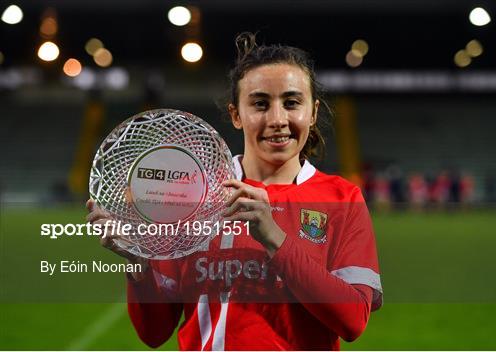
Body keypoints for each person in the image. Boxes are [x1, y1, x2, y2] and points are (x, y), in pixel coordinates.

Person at [86, 32, 382, 351]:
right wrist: (137, 263)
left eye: (292, 103)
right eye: (260, 104)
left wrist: (274, 238)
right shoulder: (193, 197)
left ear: (312, 112)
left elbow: (352, 321)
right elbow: (153, 333)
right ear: (236, 115)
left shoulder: (342, 198)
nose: (277, 119)